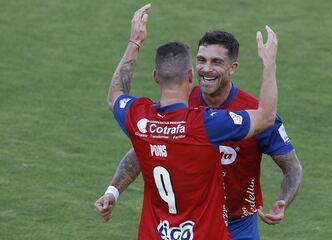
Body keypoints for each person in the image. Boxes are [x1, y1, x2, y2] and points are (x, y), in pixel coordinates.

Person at [95, 4, 285, 240]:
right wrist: (269, 64)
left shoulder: (139, 118)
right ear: (191, 76)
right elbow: (266, 116)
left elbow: (115, 96)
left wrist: (135, 41)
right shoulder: (207, 123)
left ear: (155, 77)